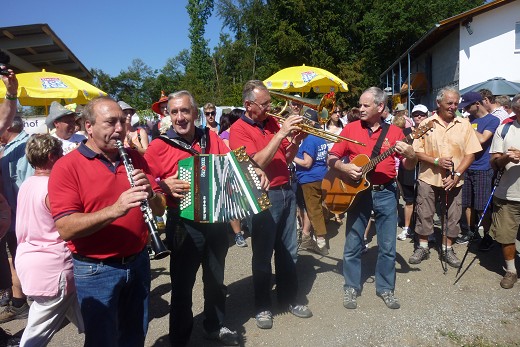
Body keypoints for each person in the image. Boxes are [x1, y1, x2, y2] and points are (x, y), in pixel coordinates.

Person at [48, 96, 165, 346]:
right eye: (111, 122)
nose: (120, 128)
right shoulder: (67, 167)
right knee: (102, 339)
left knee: (135, 334)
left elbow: (160, 207)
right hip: (96, 270)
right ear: (89, 126)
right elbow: (66, 227)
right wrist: (115, 209)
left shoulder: (135, 158)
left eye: (122, 121)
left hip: (138, 261)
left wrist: (153, 194)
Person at [144, 91, 247, 346]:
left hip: (215, 219)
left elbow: (230, 162)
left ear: (195, 112)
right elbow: (146, 181)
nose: (180, 117)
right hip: (182, 223)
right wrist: (162, 184)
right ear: (169, 115)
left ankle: (214, 325)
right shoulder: (159, 145)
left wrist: (251, 173)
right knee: (182, 286)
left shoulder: (209, 137)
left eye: (185, 111)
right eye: (174, 112)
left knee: (215, 279)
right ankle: (180, 339)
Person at [229, 80, 312, 329]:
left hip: (286, 189)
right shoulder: (238, 130)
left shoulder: (272, 123)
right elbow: (257, 163)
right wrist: (281, 133)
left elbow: (285, 156)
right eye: (265, 104)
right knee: (263, 255)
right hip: (264, 195)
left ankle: (288, 299)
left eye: (269, 102)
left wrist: (297, 140)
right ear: (248, 105)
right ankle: (263, 306)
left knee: (289, 251)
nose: (271, 108)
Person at [328, 87, 417, 310]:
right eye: (360, 104)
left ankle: (385, 288)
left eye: (366, 105)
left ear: (380, 107)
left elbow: (409, 165)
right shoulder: (350, 128)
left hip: (386, 192)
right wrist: (345, 167)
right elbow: (331, 158)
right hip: (358, 192)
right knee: (353, 242)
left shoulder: (396, 133)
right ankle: (350, 286)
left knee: (387, 245)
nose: (360, 108)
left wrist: (411, 154)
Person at [15, 134, 84, 346]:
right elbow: (69, 224)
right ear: (52, 156)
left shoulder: (27, 184)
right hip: (53, 268)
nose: (64, 157)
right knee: (36, 334)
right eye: (61, 154)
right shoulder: (52, 187)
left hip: (32, 261)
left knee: (95, 317)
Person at [408, 87, 481, 268]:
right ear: (438, 103)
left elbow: (471, 153)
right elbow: (416, 151)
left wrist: (457, 174)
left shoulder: (463, 124)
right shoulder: (426, 123)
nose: (453, 107)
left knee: (453, 215)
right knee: (424, 213)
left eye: (456, 103)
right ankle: (423, 246)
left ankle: (447, 248)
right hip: (428, 177)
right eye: (449, 103)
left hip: (454, 180)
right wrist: (436, 161)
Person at [0, 116, 34, 324]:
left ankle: (32, 302)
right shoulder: (10, 147)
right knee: (16, 260)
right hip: (12, 219)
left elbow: (29, 184)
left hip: (22, 219)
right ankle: (19, 302)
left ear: (10, 125)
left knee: (21, 260)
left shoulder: (25, 147)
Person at [456, 92, 499, 249]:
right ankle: (471, 231)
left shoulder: (492, 120)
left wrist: (466, 125)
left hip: (483, 168)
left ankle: (487, 235)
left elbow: (482, 139)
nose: (466, 110)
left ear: (478, 104)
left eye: (468, 106)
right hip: (467, 166)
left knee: (482, 206)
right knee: (467, 204)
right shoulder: (470, 119)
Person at [488, 93, 520, 289]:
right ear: (515, 110)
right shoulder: (505, 129)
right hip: (508, 194)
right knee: (506, 235)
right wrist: (507, 158)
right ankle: (511, 270)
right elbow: (495, 163)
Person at [294, 109, 329, 256]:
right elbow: (325, 159)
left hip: (309, 178)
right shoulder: (320, 137)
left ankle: (321, 243)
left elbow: (307, 163)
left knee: (314, 210)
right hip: (321, 176)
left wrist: (290, 158)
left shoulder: (309, 139)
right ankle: (308, 236)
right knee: (315, 208)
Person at [397, 104, 428, 241]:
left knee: (424, 202)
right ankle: (407, 228)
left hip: (425, 169)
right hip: (408, 170)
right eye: (416, 114)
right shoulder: (406, 132)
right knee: (409, 201)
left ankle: (425, 230)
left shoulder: (431, 130)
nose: (419, 117)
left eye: (422, 114)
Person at [218, 109, 248, 247]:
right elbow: (228, 156)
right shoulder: (225, 134)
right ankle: (238, 234)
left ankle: (241, 228)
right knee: (234, 204)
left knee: (243, 203)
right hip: (231, 173)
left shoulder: (243, 132)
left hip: (244, 171)